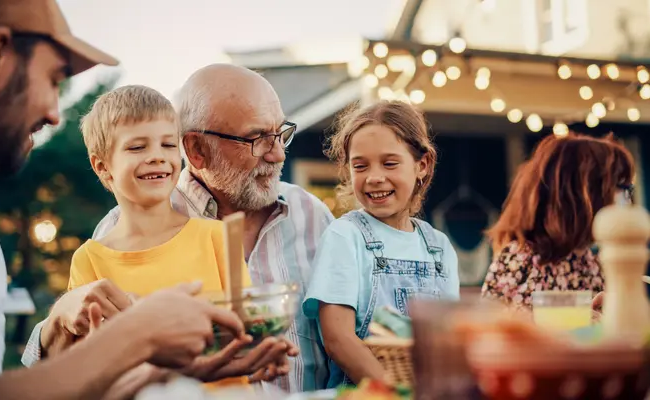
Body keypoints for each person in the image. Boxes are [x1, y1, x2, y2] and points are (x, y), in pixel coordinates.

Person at [0, 2, 249, 398]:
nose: (56, 114)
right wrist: (141, 338)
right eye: (55, 78)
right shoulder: (89, 258)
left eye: (166, 144)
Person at [24, 63, 335, 393]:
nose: (277, 154)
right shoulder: (102, 244)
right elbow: (80, 364)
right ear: (197, 150)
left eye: (280, 134)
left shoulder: (312, 215)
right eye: (256, 138)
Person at [68, 83, 293, 388]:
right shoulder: (89, 260)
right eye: (137, 147)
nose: (157, 157)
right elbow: (89, 366)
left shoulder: (217, 236)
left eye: (167, 145)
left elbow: (246, 330)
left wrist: (264, 350)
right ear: (102, 166)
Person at [302, 100, 460, 387]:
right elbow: (338, 340)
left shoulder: (439, 247)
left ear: (422, 165)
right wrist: (396, 392)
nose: (374, 178)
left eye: (390, 163)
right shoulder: (345, 236)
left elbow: (447, 339)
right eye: (360, 166)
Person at [481, 132, 635, 309]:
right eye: (622, 188)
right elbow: (491, 331)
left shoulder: (591, 261)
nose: (627, 200)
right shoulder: (521, 261)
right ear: (585, 195)